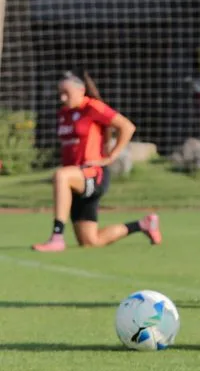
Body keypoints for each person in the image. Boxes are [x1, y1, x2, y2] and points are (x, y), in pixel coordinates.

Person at [33, 72, 162, 252]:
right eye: (60, 93)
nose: (62, 97)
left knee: (60, 176)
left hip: (93, 174)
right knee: (90, 241)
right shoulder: (64, 113)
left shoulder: (93, 107)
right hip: (75, 180)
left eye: (66, 92)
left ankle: (57, 237)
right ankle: (143, 224)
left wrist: (111, 156)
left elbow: (127, 126)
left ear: (81, 90)